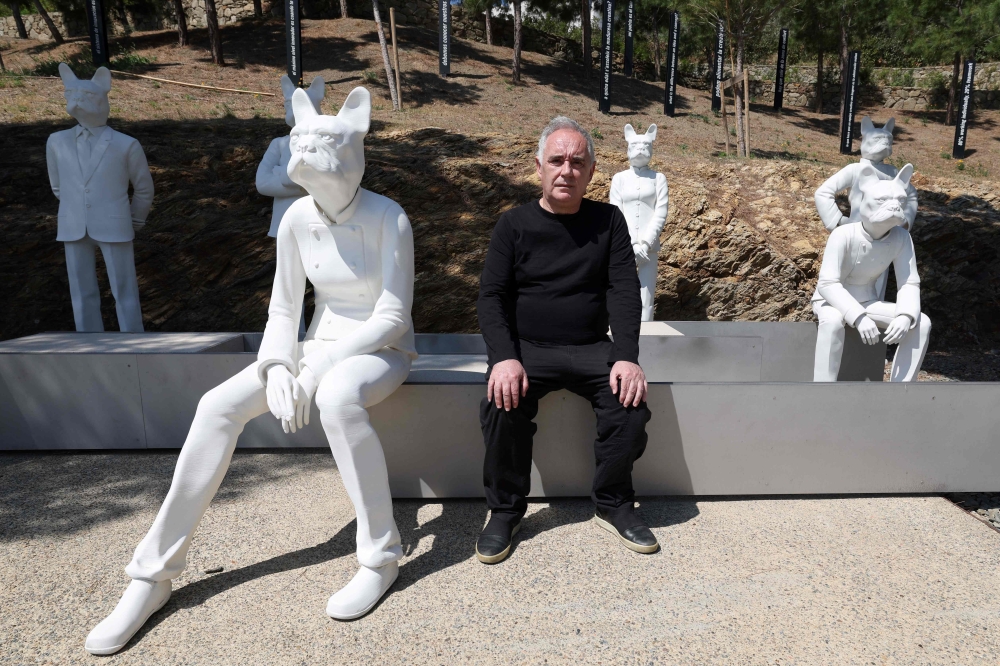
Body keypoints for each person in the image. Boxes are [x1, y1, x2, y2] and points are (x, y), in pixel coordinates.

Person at [475, 116, 656, 565]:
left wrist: (626, 357)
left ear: (592, 172)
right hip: (527, 349)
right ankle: (505, 510)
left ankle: (613, 503)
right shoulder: (512, 225)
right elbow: (491, 296)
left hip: (591, 347)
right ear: (539, 166)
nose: (566, 170)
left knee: (629, 405)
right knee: (501, 404)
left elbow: (622, 290)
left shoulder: (608, 222)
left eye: (577, 162)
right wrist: (503, 358)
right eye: (556, 160)